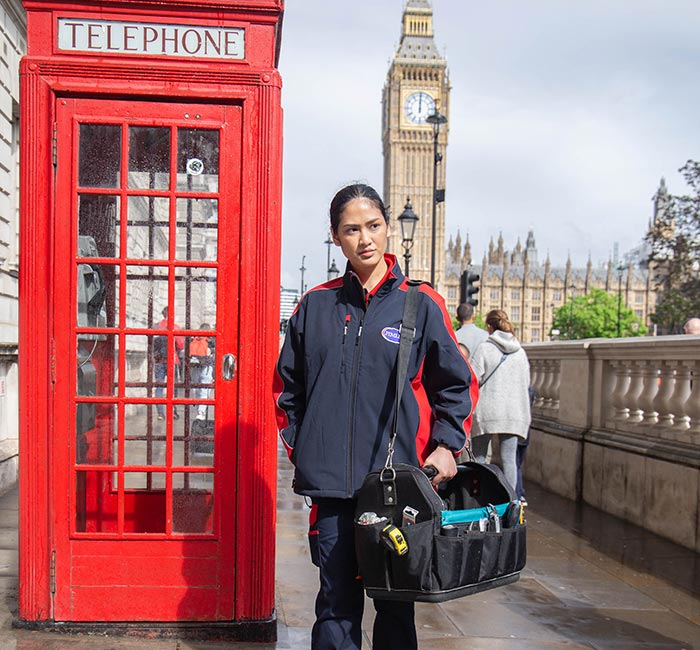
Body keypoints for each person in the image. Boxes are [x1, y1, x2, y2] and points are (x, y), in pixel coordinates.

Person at [274, 183, 477, 650]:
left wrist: (447, 445)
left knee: (395, 605)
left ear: (387, 229)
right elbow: (287, 389)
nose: (364, 238)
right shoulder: (316, 305)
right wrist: (304, 447)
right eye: (351, 229)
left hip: (397, 486)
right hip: (332, 488)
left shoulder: (420, 304)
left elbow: (457, 382)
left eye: (373, 226)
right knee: (336, 605)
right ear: (335, 236)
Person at [468, 309, 531, 493]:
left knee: (479, 458)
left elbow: (472, 378)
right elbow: (526, 383)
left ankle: (478, 497)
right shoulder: (520, 353)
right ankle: (511, 502)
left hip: (487, 410)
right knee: (509, 459)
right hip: (513, 412)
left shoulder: (484, 349)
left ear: (489, 326)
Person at [154, 307, 185, 420]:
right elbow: (181, 344)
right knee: (173, 387)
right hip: (172, 360)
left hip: (158, 361)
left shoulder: (156, 326)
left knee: (159, 387)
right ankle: (173, 411)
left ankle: (160, 413)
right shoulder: (175, 327)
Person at [189, 324, 214, 421]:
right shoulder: (210, 340)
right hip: (206, 366)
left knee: (196, 386)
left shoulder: (194, 338)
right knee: (205, 388)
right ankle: (201, 411)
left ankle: (196, 400)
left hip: (194, 365)